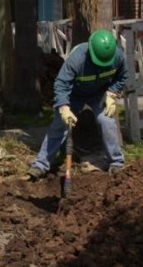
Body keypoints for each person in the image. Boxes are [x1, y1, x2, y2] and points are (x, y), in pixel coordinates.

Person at [25, 29, 128, 180]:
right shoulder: (77, 59)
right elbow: (61, 83)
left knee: (106, 120)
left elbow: (123, 75)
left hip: (99, 93)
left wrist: (112, 93)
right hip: (74, 94)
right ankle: (41, 165)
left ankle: (116, 162)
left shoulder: (117, 56)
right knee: (60, 124)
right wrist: (64, 107)